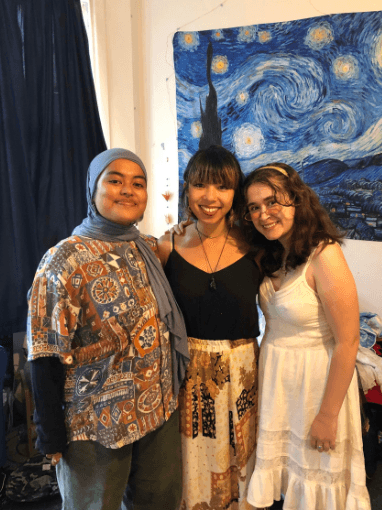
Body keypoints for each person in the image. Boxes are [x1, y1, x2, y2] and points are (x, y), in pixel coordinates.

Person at [25, 148, 190, 510]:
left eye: (138, 183)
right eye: (115, 180)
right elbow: (44, 351)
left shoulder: (146, 248)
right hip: (94, 425)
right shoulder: (63, 260)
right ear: (93, 190)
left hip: (157, 409)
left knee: (161, 502)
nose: (127, 190)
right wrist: (49, 433)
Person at [241, 163, 371, 510]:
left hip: (317, 386)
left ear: (296, 200)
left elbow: (348, 342)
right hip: (279, 382)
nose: (264, 214)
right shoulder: (272, 254)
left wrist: (327, 416)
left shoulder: (325, 254)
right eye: (254, 207)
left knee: (317, 484)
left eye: (273, 202)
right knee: (286, 485)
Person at [157, 145, 262, 510]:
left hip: (245, 371)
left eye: (222, 186)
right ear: (187, 189)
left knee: (245, 460)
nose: (211, 197)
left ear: (236, 193)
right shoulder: (167, 245)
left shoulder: (256, 246)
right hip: (190, 373)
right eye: (201, 185)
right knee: (193, 467)